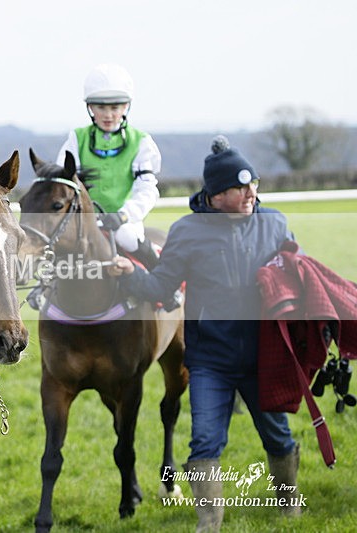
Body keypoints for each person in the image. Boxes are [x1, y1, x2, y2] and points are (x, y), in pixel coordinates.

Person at [108, 136, 302, 531]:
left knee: (278, 438)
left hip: (262, 358)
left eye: (254, 184)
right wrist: (132, 278)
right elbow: (162, 289)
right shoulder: (187, 232)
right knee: (204, 444)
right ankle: (208, 524)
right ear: (215, 196)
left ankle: (289, 505)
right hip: (210, 361)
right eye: (240, 187)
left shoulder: (275, 223)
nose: (251, 193)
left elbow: (295, 277)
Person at [56, 63, 162, 268]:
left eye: (114, 108)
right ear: (91, 108)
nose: (108, 115)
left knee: (127, 237)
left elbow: (147, 189)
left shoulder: (141, 141)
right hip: (84, 221)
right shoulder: (76, 139)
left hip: (123, 222)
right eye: (101, 108)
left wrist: (124, 214)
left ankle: (161, 282)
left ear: (125, 107)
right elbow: (62, 183)